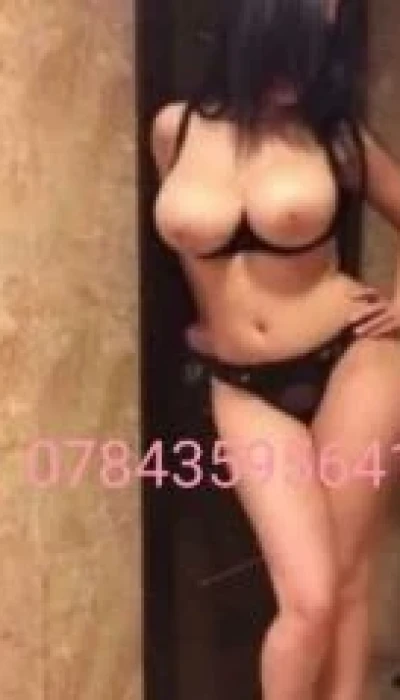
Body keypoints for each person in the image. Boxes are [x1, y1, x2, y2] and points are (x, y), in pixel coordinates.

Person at [150, 0, 400, 698]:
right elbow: (188, 257)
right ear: (246, 39)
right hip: (240, 383)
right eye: (284, 53)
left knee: (346, 580)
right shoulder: (175, 129)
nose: (299, 75)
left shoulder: (336, 136)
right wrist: (207, 320)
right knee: (307, 598)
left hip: (354, 358)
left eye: (314, 56)